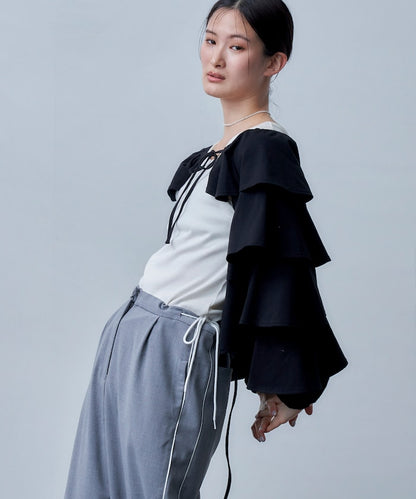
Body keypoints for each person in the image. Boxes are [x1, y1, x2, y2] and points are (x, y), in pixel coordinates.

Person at [64, 1, 348, 498]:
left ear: (273, 62)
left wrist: (287, 379)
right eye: (211, 40)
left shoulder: (264, 148)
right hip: (130, 333)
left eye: (236, 47)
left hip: (178, 345)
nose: (216, 57)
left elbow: (284, 268)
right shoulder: (214, 154)